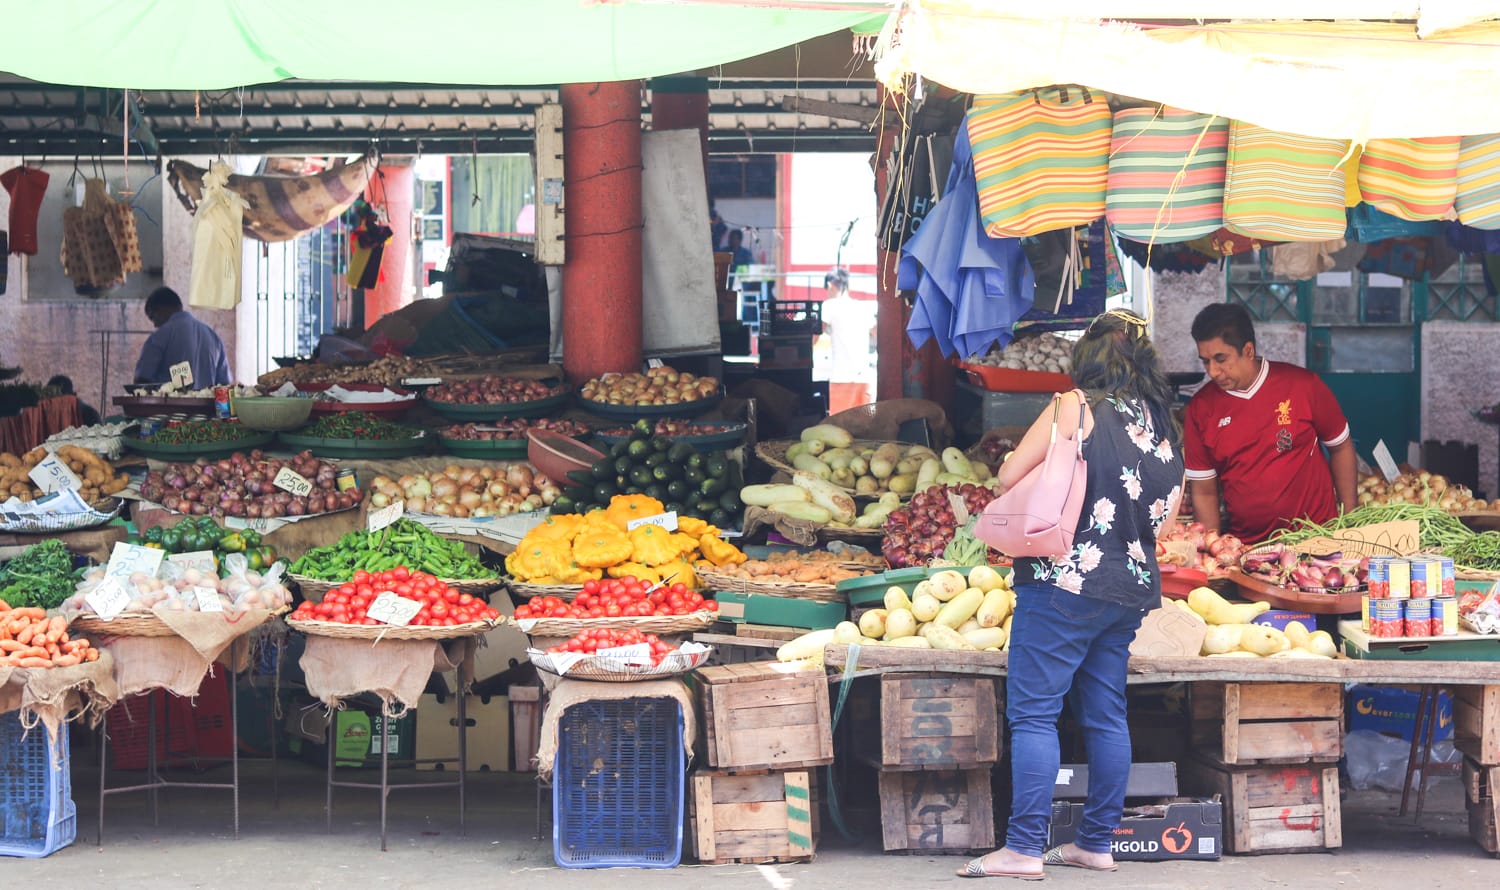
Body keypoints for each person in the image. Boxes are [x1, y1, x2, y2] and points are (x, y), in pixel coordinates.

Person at [961, 309, 1183, 880]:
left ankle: (1024, 849)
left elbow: (1011, 476)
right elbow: (1170, 514)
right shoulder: (1163, 424)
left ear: (1086, 360)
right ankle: (1095, 843)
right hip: (1128, 587)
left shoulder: (1072, 405)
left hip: (1063, 580)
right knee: (1107, 716)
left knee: (1034, 716)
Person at [1184, 303, 1356, 543]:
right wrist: (1213, 549)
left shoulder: (1303, 385)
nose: (1212, 371)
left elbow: (1341, 446)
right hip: (1248, 551)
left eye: (1220, 359)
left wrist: (1349, 519)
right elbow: (1204, 490)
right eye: (1205, 361)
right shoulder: (1200, 409)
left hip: (1318, 542)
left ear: (1248, 350)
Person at [133, 286, 231, 387]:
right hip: (207, 402)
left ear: (160, 310)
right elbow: (224, 385)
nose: (155, 325)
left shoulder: (160, 337)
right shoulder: (213, 337)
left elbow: (142, 380)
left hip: (169, 402)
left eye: (152, 317)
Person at [819, 268, 876, 413]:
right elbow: (877, 334)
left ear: (830, 285)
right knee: (865, 426)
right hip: (863, 378)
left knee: (841, 427)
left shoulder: (829, 305)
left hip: (841, 379)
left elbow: (815, 334)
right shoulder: (863, 307)